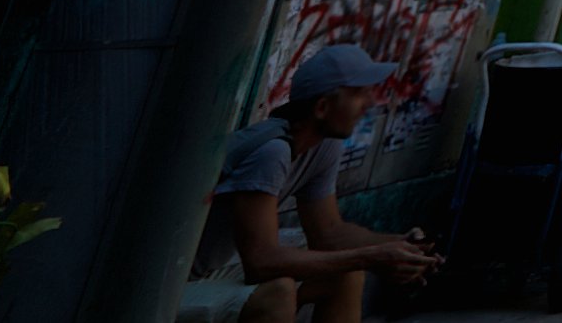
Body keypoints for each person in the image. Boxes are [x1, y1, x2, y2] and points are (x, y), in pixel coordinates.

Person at [189, 44, 440, 323]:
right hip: (169, 285)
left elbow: (329, 232)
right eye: (359, 94)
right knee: (278, 292)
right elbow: (260, 263)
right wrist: (371, 257)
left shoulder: (323, 146)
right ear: (322, 107)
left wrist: (399, 245)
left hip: (219, 267)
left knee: (344, 272)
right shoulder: (272, 152)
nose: (370, 103)